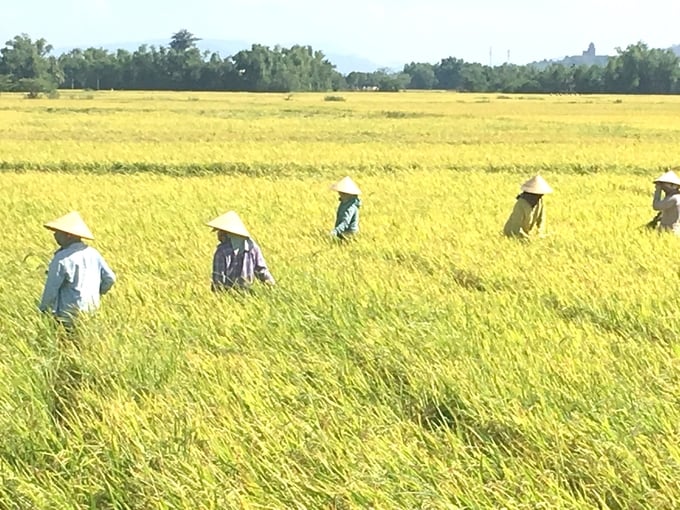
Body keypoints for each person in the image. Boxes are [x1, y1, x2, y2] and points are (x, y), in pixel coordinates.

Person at [39, 211, 116, 328]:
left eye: (58, 232)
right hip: (92, 312)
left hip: (68, 317)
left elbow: (51, 290)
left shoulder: (61, 259)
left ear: (68, 235)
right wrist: (96, 293)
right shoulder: (93, 253)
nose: (54, 235)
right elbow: (110, 278)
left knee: (67, 344)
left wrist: (43, 311)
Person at [207, 211, 275, 291]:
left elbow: (218, 280)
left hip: (228, 296)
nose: (218, 235)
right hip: (249, 296)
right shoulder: (252, 247)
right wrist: (273, 288)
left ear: (225, 233)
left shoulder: (222, 251)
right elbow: (262, 272)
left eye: (219, 231)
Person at [503, 175, 553, 239]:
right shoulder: (521, 204)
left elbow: (540, 220)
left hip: (526, 234)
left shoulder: (539, 201)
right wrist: (528, 238)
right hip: (512, 234)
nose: (540, 196)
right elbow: (515, 227)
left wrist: (539, 233)